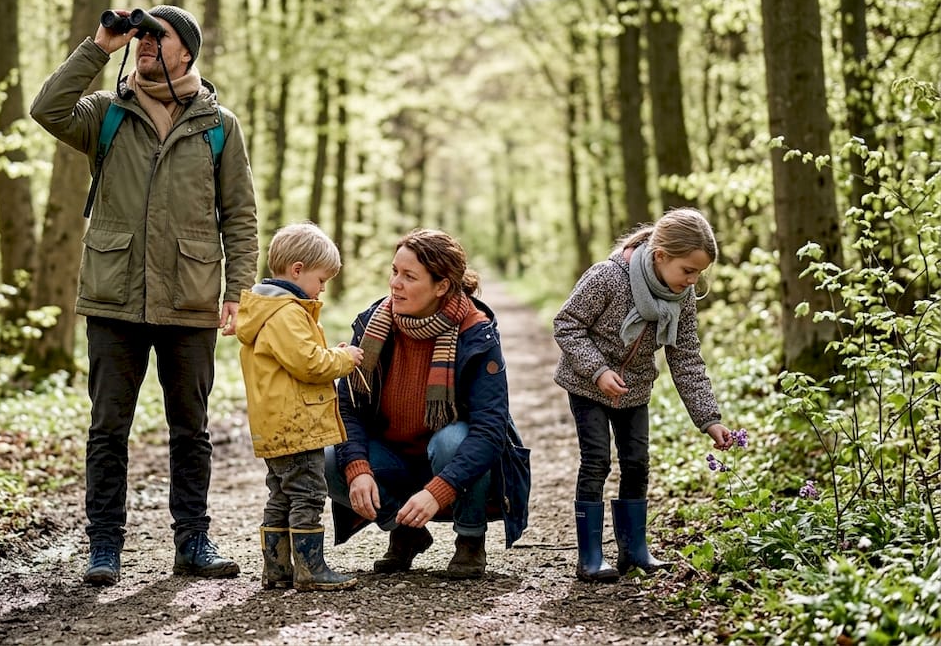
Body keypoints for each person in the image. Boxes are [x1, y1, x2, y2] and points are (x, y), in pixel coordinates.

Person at [30, 4, 258, 587]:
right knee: (108, 428)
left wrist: (238, 290)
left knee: (191, 428)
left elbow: (240, 215)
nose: (148, 42)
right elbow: (46, 108)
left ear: (187, 51)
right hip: (115, 296)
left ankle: (194, 541)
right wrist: (99, 47)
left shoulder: (218, 125)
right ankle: (104, 546)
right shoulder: (106, 113)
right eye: (143, 34)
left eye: (161, 35)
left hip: (190, 297)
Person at [326, 229, 530, 580]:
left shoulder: (475, 333)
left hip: (451, 461)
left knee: (452, 440)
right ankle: (405, 531)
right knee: (328, 459)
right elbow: (349, 407)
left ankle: (470, 539)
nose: (395, 284)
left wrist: (439, 491)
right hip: (393, 456)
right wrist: (357, 469)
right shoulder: (373, 324)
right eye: (394, 271)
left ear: (441, 286)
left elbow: (490, 431)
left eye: (409, 276)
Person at [553, 207, 733, 582]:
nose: (692, 280)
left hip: (634, 390)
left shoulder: (682, 297)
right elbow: (567, 325)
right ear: (661, 255)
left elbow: (686, 358)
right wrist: (598, 370)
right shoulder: (608, 277)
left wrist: (709, 419)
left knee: (636, 463)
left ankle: (634, 551)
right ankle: (590, 557)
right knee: (597, 460)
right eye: (688, 270)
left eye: (699, 273)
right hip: (588, 385)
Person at [235, 222, 363, 592]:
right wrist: (344, 359)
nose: (322, 288)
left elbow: (296, 359)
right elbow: (308, 364)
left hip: (276, 423)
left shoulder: (265, 310)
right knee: (308, 493)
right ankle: (310, 568)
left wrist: (329, 353)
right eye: (321, 280)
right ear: (297, 270)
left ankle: (277, 569)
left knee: (281, 494)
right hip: (298, 423)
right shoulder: (286, 312)